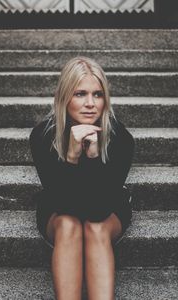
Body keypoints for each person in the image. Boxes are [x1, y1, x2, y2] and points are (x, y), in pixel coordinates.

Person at [29, 56, 135, 300]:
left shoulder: (121, 138)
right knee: (69, 225)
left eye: (97, 94)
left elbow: (98, 210)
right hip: (59, 205)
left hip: (108, 204)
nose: (90, 104)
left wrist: (95, 155)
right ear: (65, 97)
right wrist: (71, 156)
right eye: (80, 94)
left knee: (95, 227)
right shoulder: (42, 136)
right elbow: (62, 203)